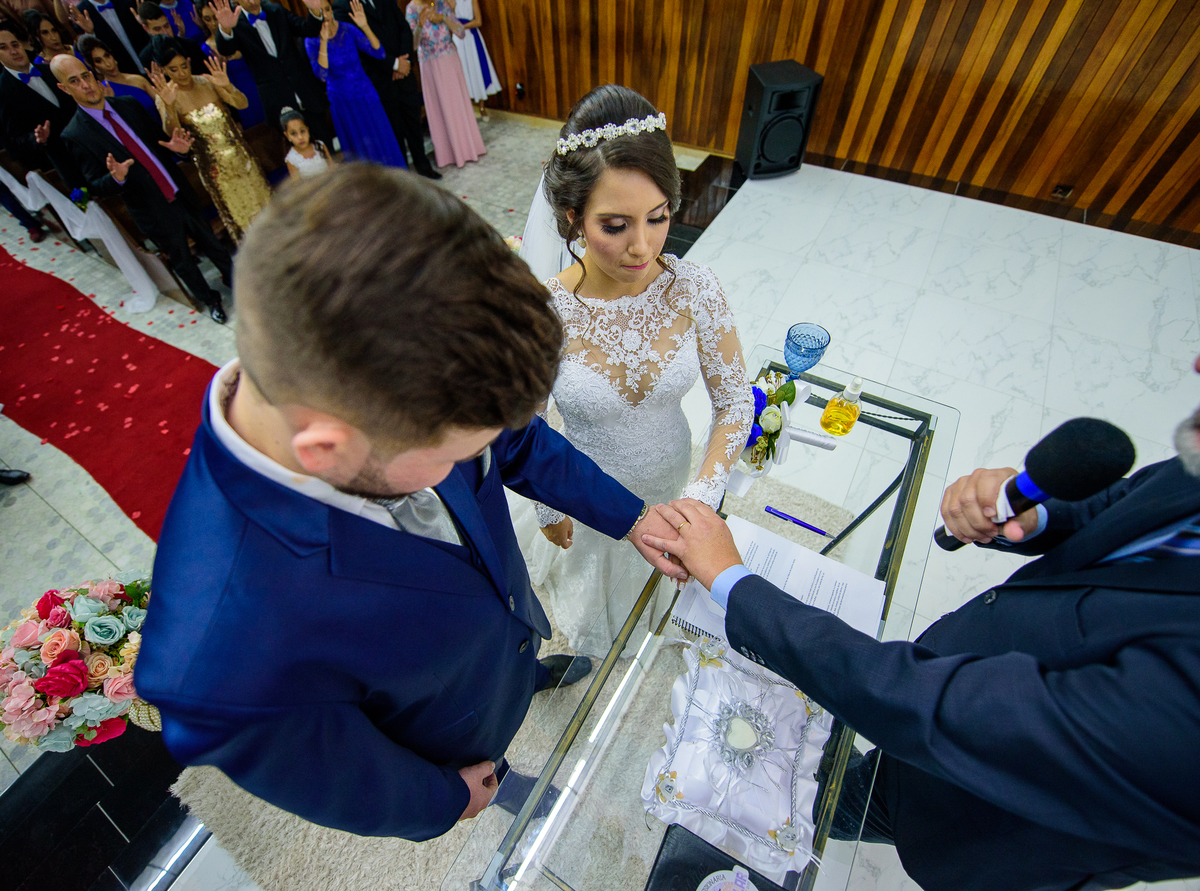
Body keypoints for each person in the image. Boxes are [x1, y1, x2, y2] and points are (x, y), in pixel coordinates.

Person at [132, 163, 686, 840]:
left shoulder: (418, 380)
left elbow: (516, 443)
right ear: (327, 448)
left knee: (514, 659)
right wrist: (444, 798)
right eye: (454, 453)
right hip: (449, 734)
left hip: (497, 632)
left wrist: (632, 517)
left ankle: (528, 675)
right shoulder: (216, 670)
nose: (477, 456)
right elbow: (346, 779)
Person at [643, 355, 1200, 891]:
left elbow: (927, 704)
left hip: (983, 811)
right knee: (834, 764)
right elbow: (1125, 511)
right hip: (969, 673)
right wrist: (1037, 518)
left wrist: (733, 581)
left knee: (835, 801)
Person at [512, 85, 752, 657]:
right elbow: (526, 424)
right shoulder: (544, 311)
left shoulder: (696, 289)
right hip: (588, 490)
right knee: (593, 589)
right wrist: (549, 505)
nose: (642, 247)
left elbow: (734, 402)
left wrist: (701, 495)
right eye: (615, 225)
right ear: (572, 217)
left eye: (658, 217)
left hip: (673, 477)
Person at [52, 54, 232, 322]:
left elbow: (163, 143)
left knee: (212, 241)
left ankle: (233, 279)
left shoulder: (128, 105)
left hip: (178, 189)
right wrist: (116, 178)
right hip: (151, 208)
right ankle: (210, 300)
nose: (86, 85)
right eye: (74, 81)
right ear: (64, 88)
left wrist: (179, 150)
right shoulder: (75, 134)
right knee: (182, 260)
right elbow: (92, 186)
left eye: (86, 76)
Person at [149, 35, 269, 240]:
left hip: (242, 158)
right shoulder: (166, 96)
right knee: (241, 219)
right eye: (173, 70)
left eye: (183, 66)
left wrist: (227, 85)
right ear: (164, 71)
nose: (181, 73)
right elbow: (172, 133)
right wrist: (169, 106)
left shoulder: (207, 81)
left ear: (188, 61)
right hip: (216, 172)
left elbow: (242, 103)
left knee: (264, 204)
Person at [330, 0, 434, 178]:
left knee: (413, 121)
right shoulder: (341, 7)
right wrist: (393, 65)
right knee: (393, 130)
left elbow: (403, 28)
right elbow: (358, 49)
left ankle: (423, 166)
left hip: (405, 71)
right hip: (380, 78)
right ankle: (402, 176)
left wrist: (404, 61)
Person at [210, 0, 330, 148]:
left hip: (306, 93)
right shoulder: (235, 22)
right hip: (277, 101)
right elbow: (226, 50)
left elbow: (308, 29)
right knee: (296, 153)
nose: (252, 1)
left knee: (326, 146)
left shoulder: (276, 10)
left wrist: (315, 11)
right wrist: (226, 29)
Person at [305, 0, 403, 167]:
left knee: (381, 137)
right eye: (320, 12)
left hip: (365, 93)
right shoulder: (311, 40)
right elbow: (322, 75)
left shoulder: (347, 29)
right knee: (359, 147)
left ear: (332, 10)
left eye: (327, 10)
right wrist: (323, 41)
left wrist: (365, 26)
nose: (325, 15)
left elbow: (379, 52)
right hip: (342, 101)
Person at [0, 23, 82, 184]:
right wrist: (37, 138)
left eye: (15, 44)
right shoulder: (3, 91)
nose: (14, 51)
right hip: (63, 161)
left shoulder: (50, 69)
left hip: (91, 145)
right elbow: (14, 141)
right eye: (3, 48)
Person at [405, 0, 480, 169]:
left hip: (451, 60)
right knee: (441, 108)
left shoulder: (441, 4)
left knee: (457, 105)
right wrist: (420, 25)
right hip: (430, 65)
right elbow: (413, 45)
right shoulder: (411, 9)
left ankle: (468, 148)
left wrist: (444, 18)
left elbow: (461, 32)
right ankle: (449, 153)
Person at [193, 0, 261, 128]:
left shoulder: (240, 36)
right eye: (207, 19)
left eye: (215, 17)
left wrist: (242, 54)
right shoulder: (204, 49)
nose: (213, 23)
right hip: (233, 99)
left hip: (255, 88)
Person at [57, 0, 147, 75]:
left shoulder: (127, 1)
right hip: (122, 72)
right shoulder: (80, 11)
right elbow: (88, 51)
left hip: (149, 59)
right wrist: (90, 33)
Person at [78, 33, 156, 113]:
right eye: (99, 61)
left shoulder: (138, 79)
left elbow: (161, 102)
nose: (108, 64)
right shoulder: (103, 93)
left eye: (107, 56)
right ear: (94, 67)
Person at [449, 0, 496, 120]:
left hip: (471, 37)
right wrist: (452, 9)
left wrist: (462, 27)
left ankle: (482, 107)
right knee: (462, 72)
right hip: (458, 40)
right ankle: (466, 109)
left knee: (477, 68)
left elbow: (478, 21)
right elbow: (448, 20)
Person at [134, 1, 202, 69]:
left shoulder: (190, 45)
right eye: (157, 29)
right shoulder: (146, 57)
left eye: (166, 26)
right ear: (146, 29)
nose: (165, 32)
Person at [280, 105, 330, 178]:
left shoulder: (320, 145)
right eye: (293, 133)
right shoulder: (291, 159)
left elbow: (332, 168)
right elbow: (297, 183)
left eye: (302, 131)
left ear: (307, 129)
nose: (300, 137)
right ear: (287, 136)